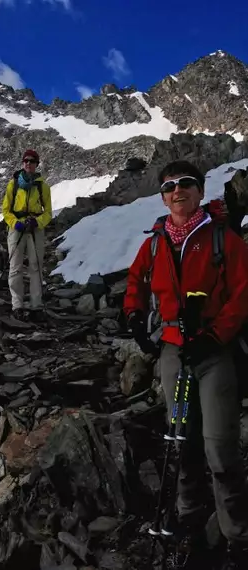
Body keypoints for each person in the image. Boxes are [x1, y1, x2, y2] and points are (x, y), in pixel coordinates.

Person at [124, 160, 248, 569]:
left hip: (213, 353)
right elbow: (136, 281)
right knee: (180, 441)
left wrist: (216, 336)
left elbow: (243, 293)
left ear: (199, 190)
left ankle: (236, 538)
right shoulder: (156, 242)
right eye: (169, 186)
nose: (177, 191)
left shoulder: (221, 238)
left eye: (186, 184)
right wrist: (133, 314)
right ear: (162, 196)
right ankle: (191, 526)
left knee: (220, 449)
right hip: (174, 354)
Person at [1, 149, 52, 320]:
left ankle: (36, 306)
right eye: (25, 161)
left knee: (35, 267)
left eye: (31, 161)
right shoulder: (13, 184)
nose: (28, 163)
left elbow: (48, 212)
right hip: (17, 227)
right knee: (15, 267)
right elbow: (6, 210)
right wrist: (16, 223)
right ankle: (18, 305)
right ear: (22, 164)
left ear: (37, 164)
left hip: (35, 227)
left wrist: (37, 222)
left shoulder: (42, 185)